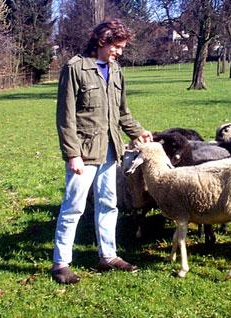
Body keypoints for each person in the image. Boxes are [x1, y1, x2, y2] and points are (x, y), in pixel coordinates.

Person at [52, 19, 153, 284]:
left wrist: (137, 131)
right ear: (101, 41)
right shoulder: (75, 68)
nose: (119, 52)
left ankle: (108, 256)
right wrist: (72, 154)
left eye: (122, 48)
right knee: (73, 207)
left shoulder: (116, 70)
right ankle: (61, 263)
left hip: (111, 151)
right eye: (116, 46)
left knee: (109, 204)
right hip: (83, 153)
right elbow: (66, 117)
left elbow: (122, 112)